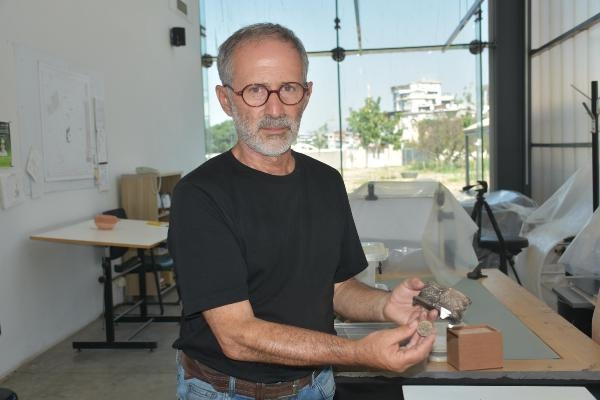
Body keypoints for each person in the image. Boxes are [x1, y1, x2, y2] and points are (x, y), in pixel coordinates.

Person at [168, 22, 437, 400]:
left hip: (316, 385)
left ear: (306, 95)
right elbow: (237, 336)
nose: (275, 109)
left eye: (289, 88)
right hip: (230, 392)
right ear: (226, 99)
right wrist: (357, 353)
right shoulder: (200, 196)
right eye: (255, 90)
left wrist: (384, 305)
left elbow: (336, 287)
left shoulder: (326, 182)